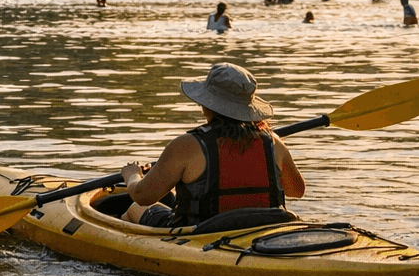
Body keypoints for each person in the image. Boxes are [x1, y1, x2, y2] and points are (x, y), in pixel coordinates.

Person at [119, 62, 304, 227]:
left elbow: (143, 196)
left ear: (206, 104)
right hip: (263, 231)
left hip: (200, 234)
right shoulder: (273, 142)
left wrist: (132, 175)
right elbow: (297, 191)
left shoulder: (187, 146)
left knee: (135, 208)